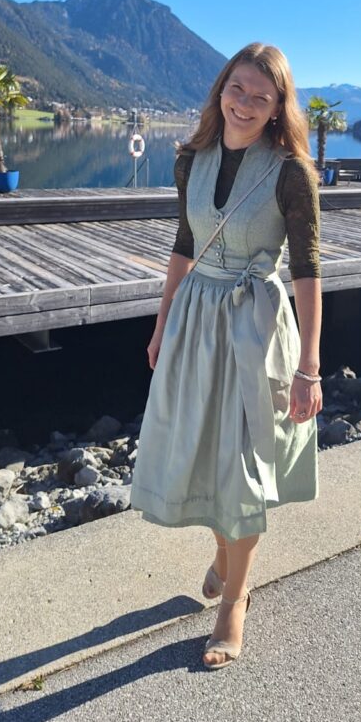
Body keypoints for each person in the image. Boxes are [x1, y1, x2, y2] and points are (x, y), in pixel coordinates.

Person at [130, 42, 323, 670]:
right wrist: (162, 324)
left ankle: (234, 601)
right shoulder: (192, 160)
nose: (244, 103)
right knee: (206, 457)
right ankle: (225, 556)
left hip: (255, 331)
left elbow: (308, 272)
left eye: (260, 96)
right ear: (221, 89)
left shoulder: (292, 174)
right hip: (196, 324)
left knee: (242, 469)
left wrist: (310, 368)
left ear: (277, 108)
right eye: (236, 88)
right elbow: (184, 245)